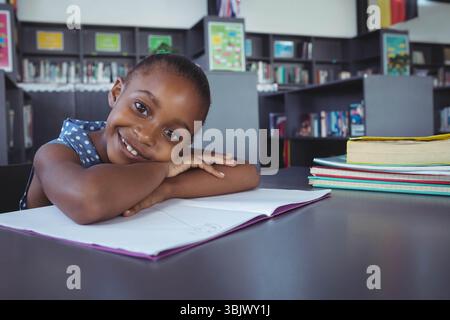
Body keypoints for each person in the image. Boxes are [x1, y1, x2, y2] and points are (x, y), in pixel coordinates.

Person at [20, 54, 260, 224]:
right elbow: (88, 199)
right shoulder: (57, 153)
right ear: (116, 93)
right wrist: (165, 169)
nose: (146, 136)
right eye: (141, 108)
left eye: (172, 134)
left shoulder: (161, 157)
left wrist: (166, 189)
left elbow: (247, 173)